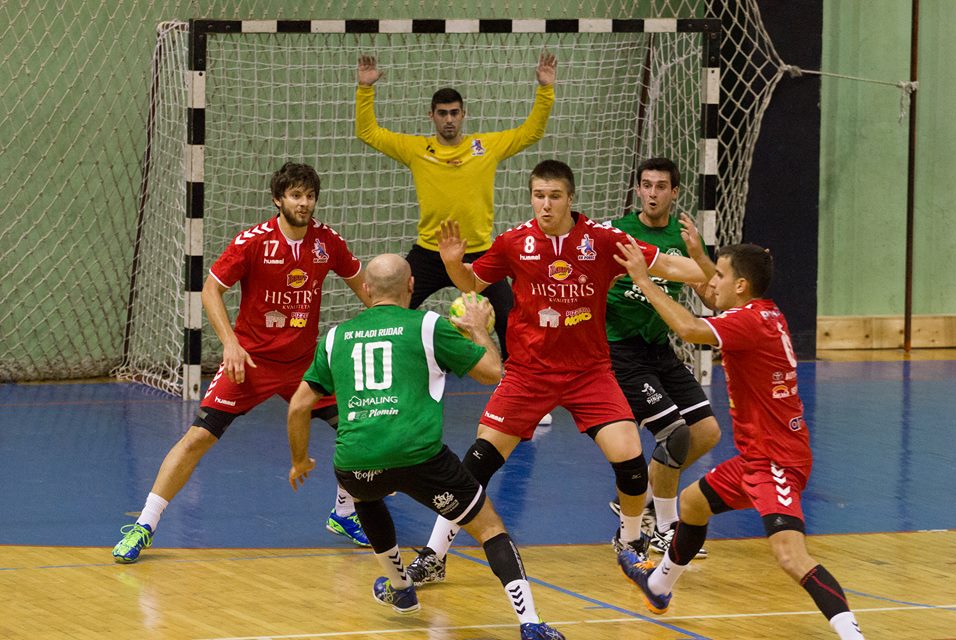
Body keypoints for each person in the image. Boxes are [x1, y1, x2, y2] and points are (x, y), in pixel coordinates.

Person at [404, 159, 710, 588]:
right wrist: (453, 264)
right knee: (478, 462)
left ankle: (630, 543)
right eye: (538, 196)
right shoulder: (514, 242)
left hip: (590, 373)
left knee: (630, 459)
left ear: (570, 198)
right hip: (529, 372)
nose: (545, 205)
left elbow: (679, 270)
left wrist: (705, 262)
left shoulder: (603, 240)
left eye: (554, 196)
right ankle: (434, 555)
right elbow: (471, 283)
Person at [286, 254, 564, 640]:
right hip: (420, 459)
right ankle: (529, 622)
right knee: (490, 528)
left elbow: (298, 406)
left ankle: (401, 588)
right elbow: (492, 373)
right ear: (411, 286)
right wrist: (478, 329)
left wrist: (300, 460)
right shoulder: (427, 326)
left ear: (365, 289)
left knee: (365, 496)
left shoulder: (335, 337)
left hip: (355, 462)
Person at [112, 162, 373, 563]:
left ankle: (343, 512)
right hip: (250, 362)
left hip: (305, 365)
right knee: (198, 437)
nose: (304, 203)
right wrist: (230, 344)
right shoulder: (253, 242)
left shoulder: (327, 243)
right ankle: (144, 524)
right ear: (278, 200)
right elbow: (210, 290)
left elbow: (369, 293)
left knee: (360, 428)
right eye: (295, 195)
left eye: (309, 196)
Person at [613, 242, 866, 640]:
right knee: (693, 503)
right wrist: (700, 257)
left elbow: (688, 328)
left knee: (790, 556)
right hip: (756, 456)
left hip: (776, 461)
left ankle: (853, 634)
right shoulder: (763, 312)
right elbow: (717, 298)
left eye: (720, 275)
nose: (711, 282)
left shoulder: (746, 322)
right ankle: (659, 586)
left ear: (741, 285)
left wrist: (644, 280)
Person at [354, 52, 556, 372]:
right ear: (431, 115)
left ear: (463, 114)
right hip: (430, 253)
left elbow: (531, 132)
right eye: (442, 113)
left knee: (509, 318)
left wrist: (545, 89)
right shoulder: (416, 149)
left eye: (454, 113)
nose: (449, 119)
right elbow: (369, 133)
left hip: (479, 254)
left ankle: (519, 381)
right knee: (387, 308)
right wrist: (365, 89)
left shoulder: (485, 146)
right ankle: (384, 373)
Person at [604, 157, 721, 557]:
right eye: (646, 185)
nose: (652, 193)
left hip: (659, 347)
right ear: (638, 189)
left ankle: (638, 495)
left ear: (675, 192)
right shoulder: (618, 233)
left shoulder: (682, 238)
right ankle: (665, 528)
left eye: (660, 186)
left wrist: (701, 257)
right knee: (675, 432)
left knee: (706, 432)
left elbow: (713, 296)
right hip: (619, 349)